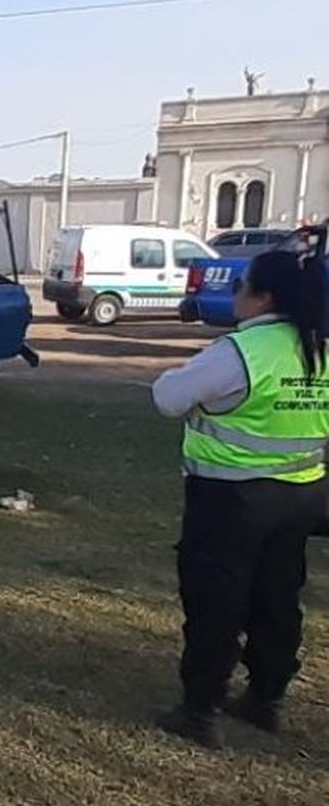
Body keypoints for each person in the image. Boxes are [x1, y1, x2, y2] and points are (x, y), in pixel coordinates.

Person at [150, 250, 329, 748]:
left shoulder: (243, 350)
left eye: (241, 286)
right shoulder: (320, 347)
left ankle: (199, 710)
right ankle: (265, 699)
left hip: (232, 500)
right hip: (303, 496)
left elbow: (167, 397)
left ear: (263, 297)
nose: (236, 297)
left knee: (216, 601)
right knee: (278, 597)